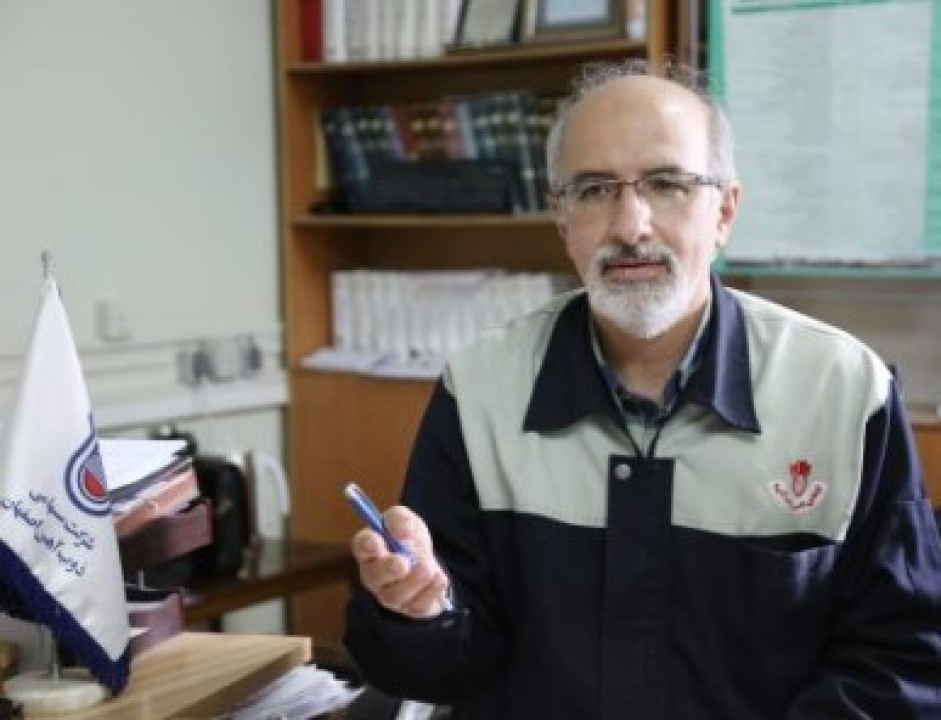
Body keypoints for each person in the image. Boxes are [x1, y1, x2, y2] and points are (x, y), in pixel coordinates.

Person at [343, 58, 941, 718]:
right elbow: (439, 668)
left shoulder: (844, 391)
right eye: (594, 190)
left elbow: (902, 663)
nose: (630, 226)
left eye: (666, 184)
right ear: (560, 219)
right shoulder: (481, 387)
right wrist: (417, 614)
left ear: (724, 211)